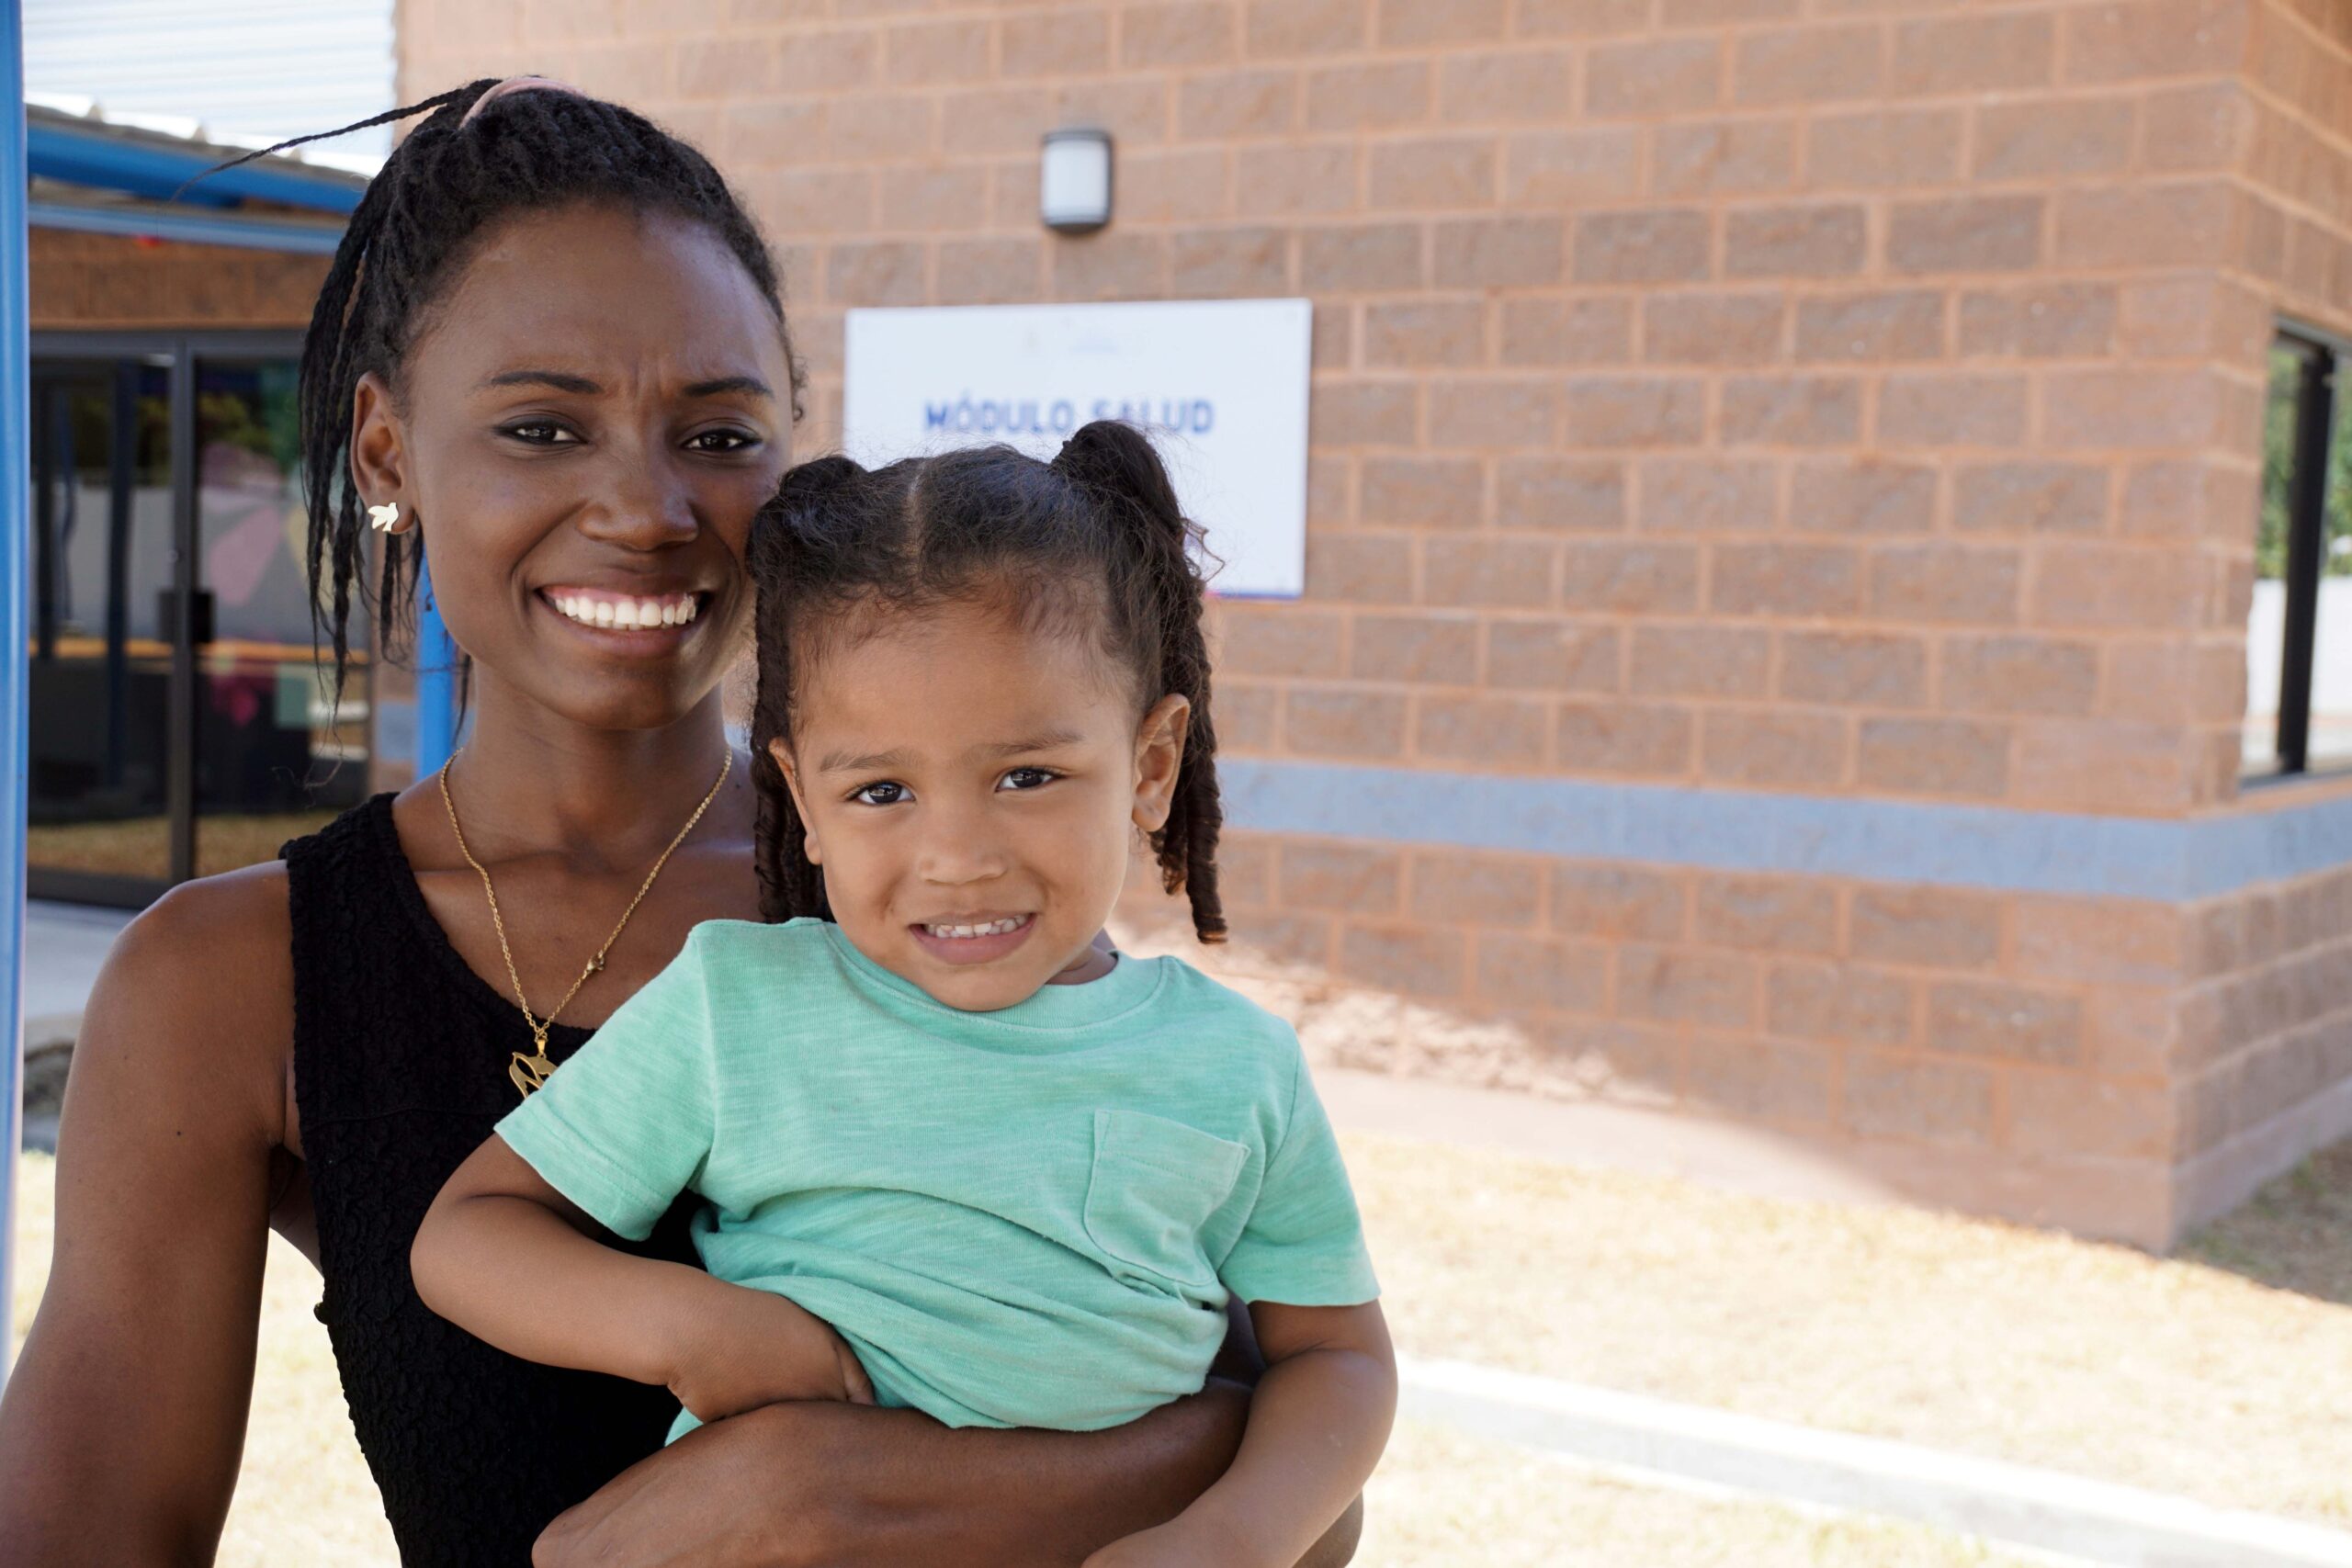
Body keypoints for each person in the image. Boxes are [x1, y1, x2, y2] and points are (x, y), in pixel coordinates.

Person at [0, 79, 1363, 1567]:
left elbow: (1294, 1477)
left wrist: (807, 1488)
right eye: (542, 426)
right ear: (386, 453)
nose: (645, 507)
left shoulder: (923, 891)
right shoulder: (233, 981)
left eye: (718, 433)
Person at [411, 424, 1397, 1568]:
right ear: (802, 800)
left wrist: (1232, 1537)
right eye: (881, 791)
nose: (957, 857)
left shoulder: (1234, 1064)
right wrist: (689, 1325)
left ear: (1150, 765)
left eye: (1027, 775)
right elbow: (469, 1236)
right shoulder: (740, 1009)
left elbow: (1336, 1357)